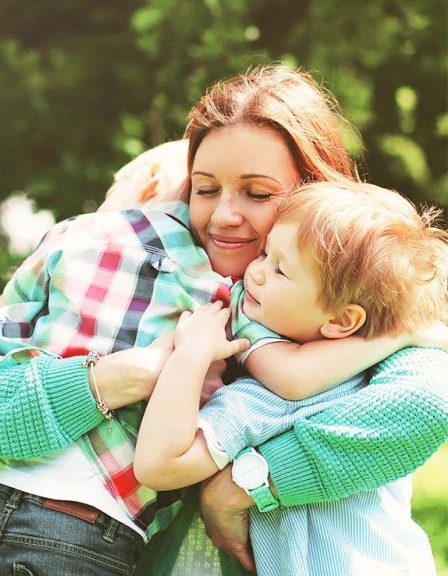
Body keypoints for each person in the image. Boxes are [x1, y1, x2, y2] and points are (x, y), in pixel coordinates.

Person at [0, 65, 448, 575]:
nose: (222, 215)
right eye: (203, 190)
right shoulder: (152, 279)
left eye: (258, 194)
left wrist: (244, 484)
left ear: (317, 197)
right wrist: (123, 374)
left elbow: (425, 405)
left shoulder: (365, 310)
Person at [134, 182, 448, 575]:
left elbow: (159, 465)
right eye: (266, 253)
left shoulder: (269, 401)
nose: (257, 272)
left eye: (280, 269)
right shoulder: (381, 379)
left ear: (341, 321)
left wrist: (191, 354)